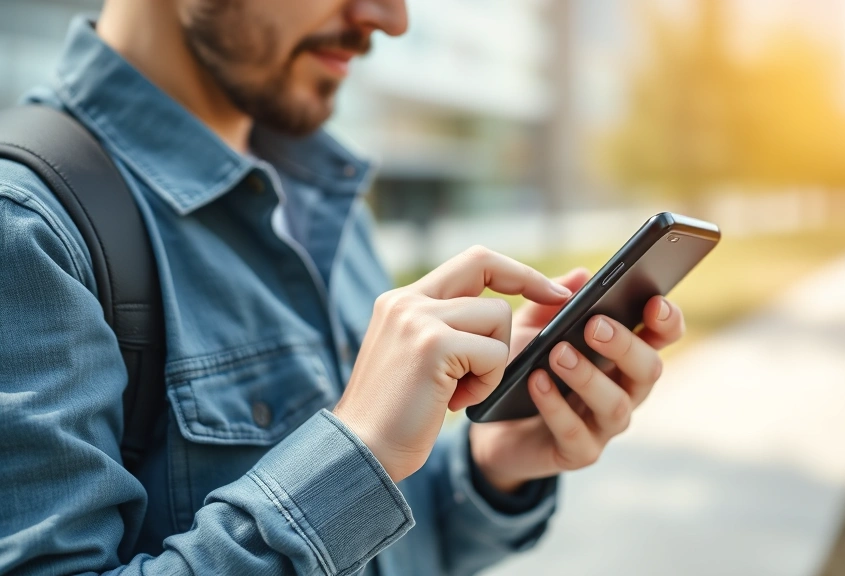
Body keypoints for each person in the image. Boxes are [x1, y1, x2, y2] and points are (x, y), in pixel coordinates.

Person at [0, 1, 686, 574]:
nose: (389, 18)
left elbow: (394, 550)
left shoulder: (325, 193)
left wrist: (488, 468)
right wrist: (355, 456)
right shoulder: (29, 227)